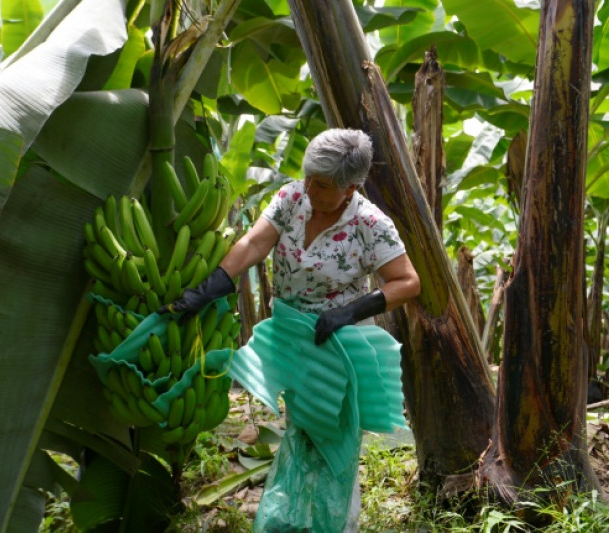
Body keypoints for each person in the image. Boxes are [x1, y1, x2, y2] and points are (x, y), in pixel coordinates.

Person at [161, 128, 420, 531]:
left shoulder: (370, 223)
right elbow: (253, 245)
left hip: (338, 344)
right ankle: (292, 520)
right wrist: (208, 289)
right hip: (293, 338)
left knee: (334, 438)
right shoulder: (292, 198)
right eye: (308, 177)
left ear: (350, 188)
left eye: (321, 184)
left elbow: (407, 281)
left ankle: (335, 524)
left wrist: (348, 313)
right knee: (300, 429)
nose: (309, 188)